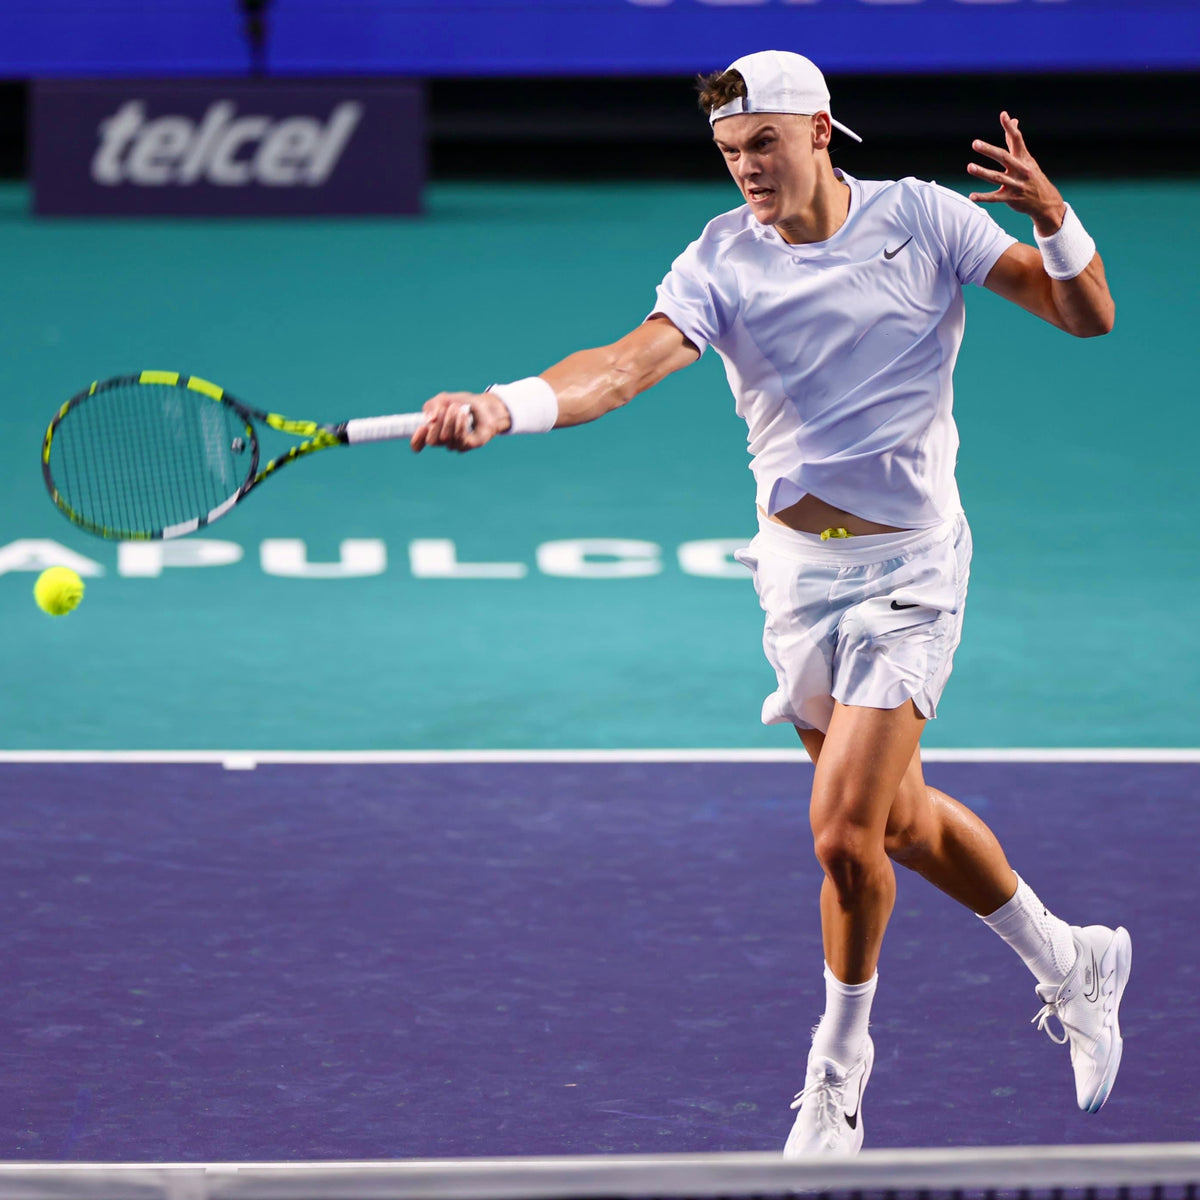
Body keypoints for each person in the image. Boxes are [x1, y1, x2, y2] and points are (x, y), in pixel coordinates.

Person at [412, 50, 1130, 1155]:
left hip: (912, 569)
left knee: (843, 834)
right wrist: (503, 407)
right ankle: (1070, 958)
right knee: (895, 822)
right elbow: (619, 367)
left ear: (821, 131)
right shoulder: (720, 259)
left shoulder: (925, 221)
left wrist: (1057, 220)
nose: (746, 170)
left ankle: (835, 1079)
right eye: (728, 153)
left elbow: (1088, 318)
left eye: (762, 145)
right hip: (797, 580)